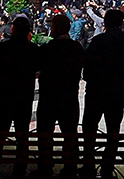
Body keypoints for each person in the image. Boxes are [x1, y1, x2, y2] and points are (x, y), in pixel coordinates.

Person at [81, 9, 124, 178]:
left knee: (89, 128)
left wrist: (90, 79)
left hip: (96, 91)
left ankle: (88, 165)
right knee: (113, 130)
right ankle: (107, 167)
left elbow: (88, 66)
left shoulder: (99, 40)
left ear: (105, 23)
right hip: (116, 92)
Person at [0, 16, 39, 178]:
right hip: (24, 97)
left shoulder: (4, 47)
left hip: (4, 96)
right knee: (22, 135)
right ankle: (20, 169)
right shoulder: (33, 49)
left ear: (13, 29)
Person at [34, 14, 85, 178]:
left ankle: (45, 166)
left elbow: (37, 69)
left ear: (55, 28)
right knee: (70, 135)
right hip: (69, 97)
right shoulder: (76, 48)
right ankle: (70, 167)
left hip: (48, 98)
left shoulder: (47, 48)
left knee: (44, 134)